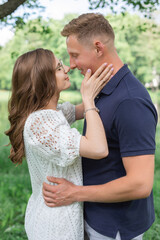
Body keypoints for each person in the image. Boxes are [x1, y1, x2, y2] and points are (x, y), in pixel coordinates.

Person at [43, 13, 158, 240]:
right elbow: (58, 115)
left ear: (98, 48)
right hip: (94, 215)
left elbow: (140, 184)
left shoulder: (130, 101)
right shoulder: (101, 88)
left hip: (113, 228)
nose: (71, 64)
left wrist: (74, 193)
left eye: (75, 55)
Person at [5, 48, 113, 240]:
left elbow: (77, 112)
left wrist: (98, 81)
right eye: (58, 68)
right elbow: (98, 149)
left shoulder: (53, 115)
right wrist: (88, 100)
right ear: (43, 80)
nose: (66, 69)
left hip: (57, 219)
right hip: (55, 228)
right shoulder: (40, 123)